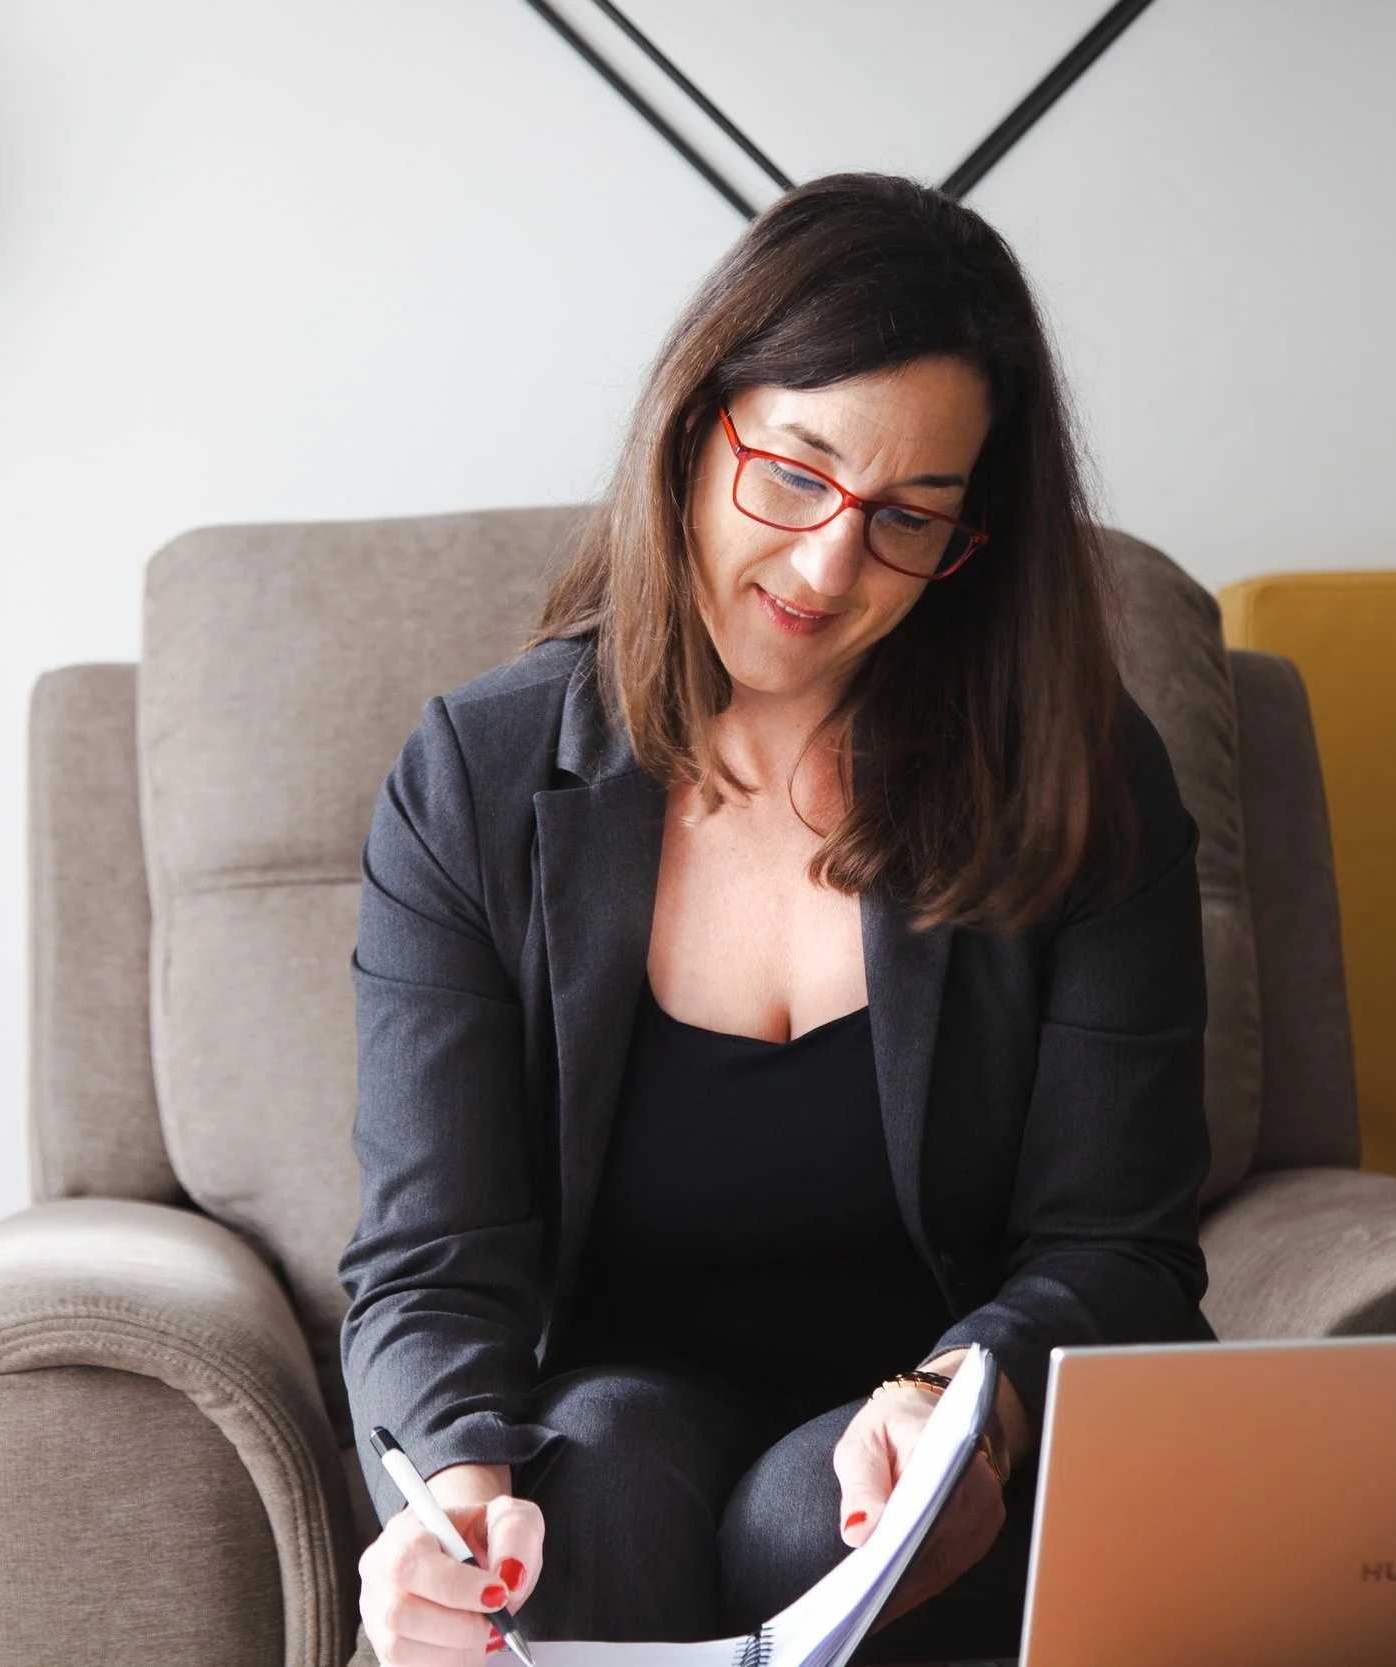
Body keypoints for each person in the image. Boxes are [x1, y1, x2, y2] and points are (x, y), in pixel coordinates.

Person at [336, 172, 1212, 1667]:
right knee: (587, 1490)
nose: (825, 567)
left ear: (969, 539)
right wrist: (456, 1503)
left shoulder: (1079, 775)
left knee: (827, 1520)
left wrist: (961, 1398)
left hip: (934, 1419)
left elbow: (1116, 1240)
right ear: (695, 427)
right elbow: (432, 1252)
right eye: (795, 474)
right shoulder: (477, 777)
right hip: (612, 1411)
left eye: (909, 519)